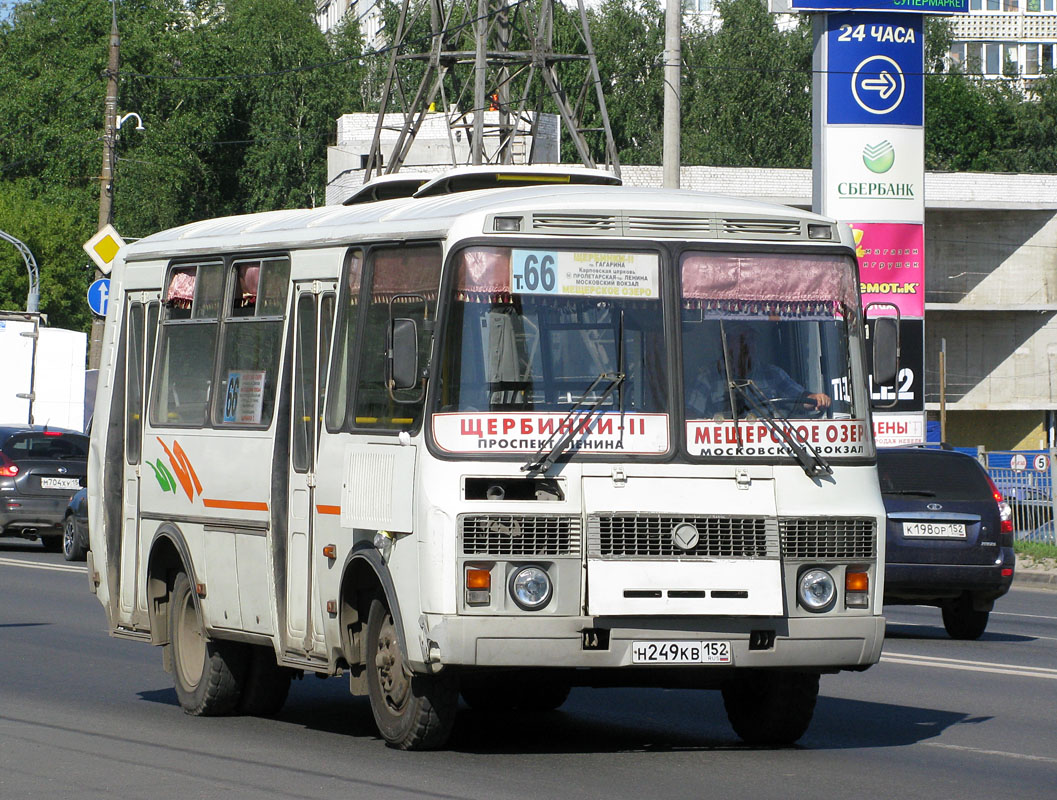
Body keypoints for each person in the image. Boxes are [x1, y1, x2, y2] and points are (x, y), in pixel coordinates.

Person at [687, 322, 831, 418]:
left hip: (769, 452)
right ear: (726, 344)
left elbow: (801, 399)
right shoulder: (708, 377)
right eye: (741, 340)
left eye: (751, 339)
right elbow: (691, 416)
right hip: (726, 455)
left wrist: (816, 399)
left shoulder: (773, 375)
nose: (748, 345)